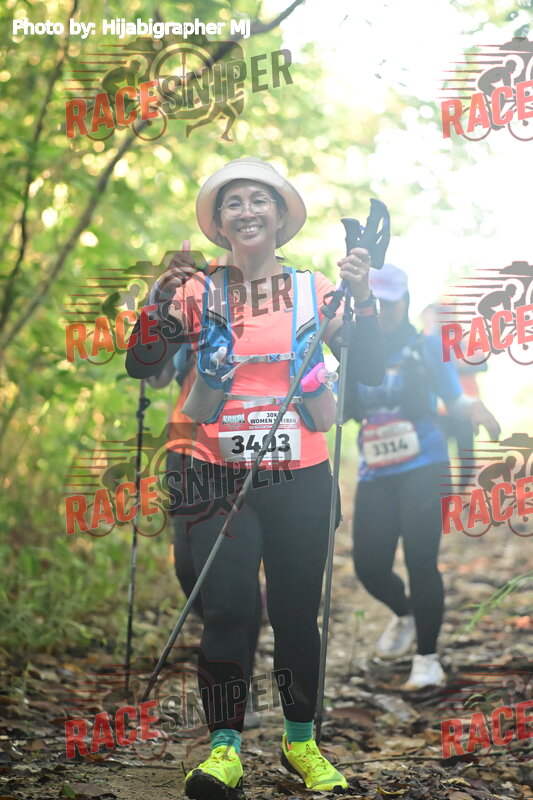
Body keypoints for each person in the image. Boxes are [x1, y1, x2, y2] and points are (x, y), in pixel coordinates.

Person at [126, 156, 385, 797]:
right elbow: (142, 364)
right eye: (233, 203)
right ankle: (224, 751)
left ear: (279, 216)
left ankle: (301, 743)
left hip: (300, 475)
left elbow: (372, 368)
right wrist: (157, 302)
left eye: (258, 200)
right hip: (213, 473)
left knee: (296, 613)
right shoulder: (198, 292)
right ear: (219, 223)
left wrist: (361, 296)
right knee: (228, 609)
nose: (246, 211)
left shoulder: (314, 288)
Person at [347, 264, 500, 690]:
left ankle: (427, 658)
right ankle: (407, 614)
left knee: (420, 560)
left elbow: (454, 396)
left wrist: (475, 408)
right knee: (369, 566)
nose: (383, 310)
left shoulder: (428, 346)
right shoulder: (353, 349)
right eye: (374, 302)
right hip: (375, 470)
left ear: (405, 302)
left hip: (424, 464)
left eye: (391, 302)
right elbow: (334, 402)